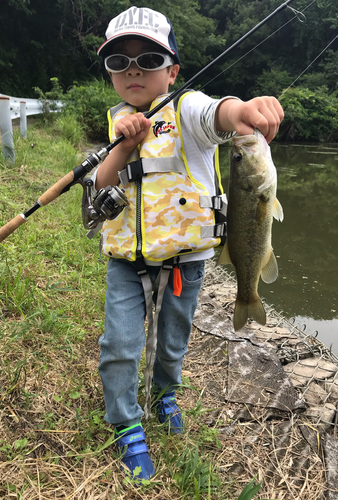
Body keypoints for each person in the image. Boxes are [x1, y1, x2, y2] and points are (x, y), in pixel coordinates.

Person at [93, 5, 284, 481]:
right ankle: (125, 422)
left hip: (187, 260)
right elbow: (101, 183)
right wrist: (125, 145)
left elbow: (221, 114)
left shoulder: (188, 109)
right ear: (110, 74)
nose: (133, 68)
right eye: (119, 61)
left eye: (149, 59)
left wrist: (244, 109)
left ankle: (164, 394)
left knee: (173, 341)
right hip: (127, 262)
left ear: (172, 71)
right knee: (120, 343)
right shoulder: (119, 122)